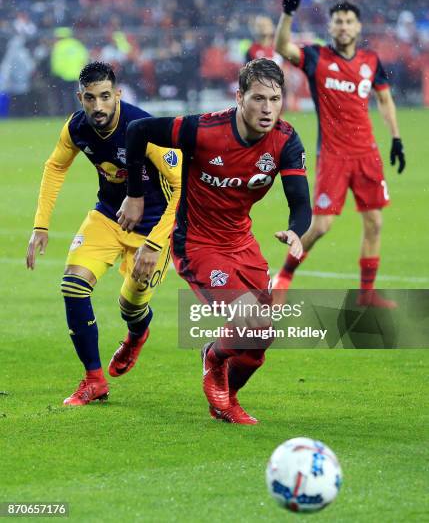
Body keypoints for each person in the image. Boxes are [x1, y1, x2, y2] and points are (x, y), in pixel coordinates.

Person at [118, 58, 312, 424]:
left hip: (242, 243)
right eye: (258, 99)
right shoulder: (204, 130)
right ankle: (214, 358)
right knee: (250, 322)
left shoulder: (285, 140)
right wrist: (135, 194)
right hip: (198, 244)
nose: (267, 108)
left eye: (274, 99)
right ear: (239, 97)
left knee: (259, 344)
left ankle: (227, 396)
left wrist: (295, 231)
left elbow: (301, 202)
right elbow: (139, 130)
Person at [26, 62, 181, 405]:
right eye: (91, 98)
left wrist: (156, 243)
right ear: (80, 97)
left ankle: (137, 333)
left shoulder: (144, 128)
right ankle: (94, 379)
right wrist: (40, 225)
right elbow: (54, 167)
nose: (98, 106)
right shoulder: (77, 127)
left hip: (153, 227)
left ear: (118, 95)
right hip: (108, 215)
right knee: (73, 286)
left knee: (131, 306)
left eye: (106, 97)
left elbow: (181, 186)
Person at [272, 0, 406, 307]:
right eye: (338, 21)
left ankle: (366, 295)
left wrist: (397, 138)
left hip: (367, 154)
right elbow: (282, 48)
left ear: (358, 26)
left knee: (375, 222)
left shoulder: (371, 62)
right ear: (330, 26)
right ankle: (284, 276)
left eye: (349, 21)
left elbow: (385, 100)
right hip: (333, 156)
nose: (343, 26)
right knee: (321, 227)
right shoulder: (317, 57)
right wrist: (288, 13)